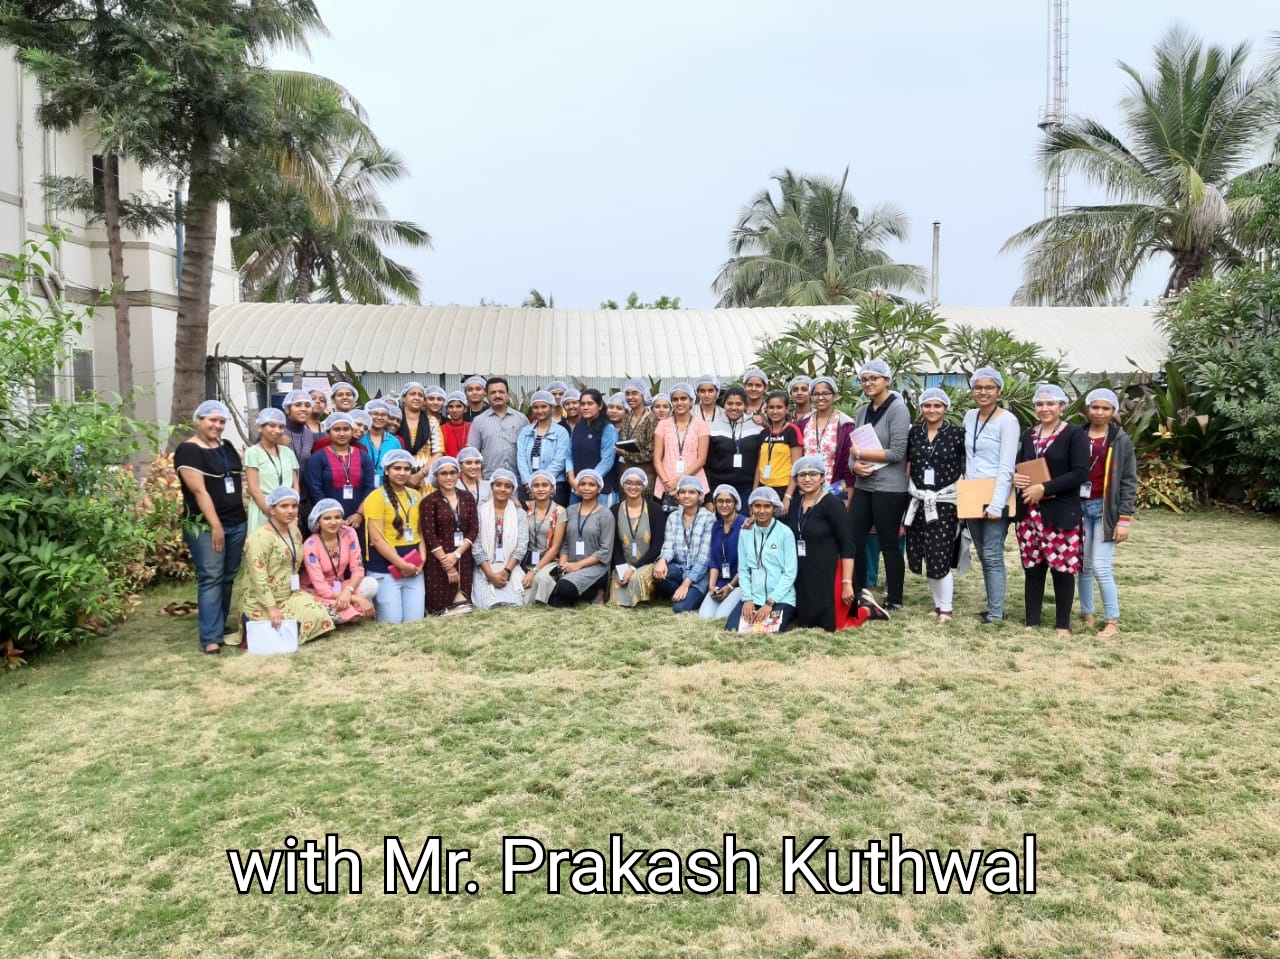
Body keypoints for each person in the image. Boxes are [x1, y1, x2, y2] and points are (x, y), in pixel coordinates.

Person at [1013, 384, 1090, 635]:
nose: (1044, 408)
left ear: (1062, 406)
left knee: (1062, 569)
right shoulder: (1030, 434)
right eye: (1039, 404)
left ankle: (1062, 625)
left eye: (1050, 404)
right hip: (1030, 513)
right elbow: (1023, 464)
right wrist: (1017, 477)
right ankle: (1032, 621)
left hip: (1060, 512)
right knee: (1033, 568)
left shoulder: (1074, 434)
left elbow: (1080, 472)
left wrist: (1045, 488)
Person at [176, 400, 249, 654]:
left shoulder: (226, 446)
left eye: (221, 421)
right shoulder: (188, 451)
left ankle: (219, 626)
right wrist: (215, 525)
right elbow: (199, 491)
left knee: (228, 577)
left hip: (236, 522)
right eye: (211, 420)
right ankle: (210, 638)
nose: (217, 425)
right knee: (211, 578)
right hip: (206, 527)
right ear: (199, 420)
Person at [235, 487, 335, 647]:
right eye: (284, 506)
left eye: (294, 506)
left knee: (318, 613)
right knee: (271, 628)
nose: (290, 511)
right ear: (272, 510)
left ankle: (291, 629)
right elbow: (258, 576)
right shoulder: (260, 537)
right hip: (260, 599)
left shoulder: (295, 531)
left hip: (288, 595)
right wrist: (271, 608)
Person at [848, 360, 911, 613]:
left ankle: (894, 597)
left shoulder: (898, 409)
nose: (868, 383)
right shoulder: (863, 410)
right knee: (854, 539)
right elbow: (853, 448)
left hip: (890, 487)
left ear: (887, 380)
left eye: (874, 378)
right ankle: (860, 589)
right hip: (863, 484)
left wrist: (861, 454)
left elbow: (897, 452)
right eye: (864, 379)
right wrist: (854, 466)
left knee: (888, 543)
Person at [1077, 388, 1138, 637]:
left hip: (1105, 511)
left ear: (1113, 411)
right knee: (1083, 565)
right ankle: (1087, 613)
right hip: (1079, 507)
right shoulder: (1077, 435)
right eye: (1095, 407)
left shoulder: (1119, 440)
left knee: (1101, 566)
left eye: (1106, 408)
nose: (1099, 412)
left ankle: (1112, 621)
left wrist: (1124, 520)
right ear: (1087, 408)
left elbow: (1128, 481)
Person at [963, 366, 1021, 624]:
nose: (983, 392)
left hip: (997, 493)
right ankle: (991, 606)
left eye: (989, 387)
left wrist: (997, 504)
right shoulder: (969, 417)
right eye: (978, 387)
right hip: (972, 493)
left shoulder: (1007, 421)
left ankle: (996, 614)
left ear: (998, 390)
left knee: (992, 554)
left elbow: (1007, 465)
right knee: (981, 552)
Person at [904, 388, 966, 624]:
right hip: (918, 499)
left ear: (945, 408)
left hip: (945, 501)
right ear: (921, 408)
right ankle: (938, 604)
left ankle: (947, 608)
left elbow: (969, 463)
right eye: (927, 405)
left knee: (940, 552)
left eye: (937, 406)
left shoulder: (957, 434)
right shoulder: (914, 433)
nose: (932, 410)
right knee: (926, 553)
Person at [786, 456, 866, 631]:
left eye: (813, 474)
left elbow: (848, 544)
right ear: (796, 480)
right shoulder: (795, 504)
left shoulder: (833, 504)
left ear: (822, 477)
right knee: (805, 622)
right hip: (803, 574)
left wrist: (847, 582)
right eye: (802, 475)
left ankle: (867, 609)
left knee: (833, 625)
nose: (807, 479)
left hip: (830, 574)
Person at [360, 449, 425, 624]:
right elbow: (377, 539)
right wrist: (402, 564)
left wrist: (423, 560)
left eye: (406, 469)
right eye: (397, 468)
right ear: (387, 470)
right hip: (385, 569)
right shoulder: (375, 497)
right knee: (391, 624)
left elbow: (420, 532)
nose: (402, 473)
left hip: (414, 569)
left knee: (415, 624)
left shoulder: (416, 495)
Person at [725, 487, 798, 632]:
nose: (762, 511)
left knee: (765, 631)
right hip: (754, 596)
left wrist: (769, 603)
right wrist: (747, 599)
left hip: (780, 598)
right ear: (751, 508)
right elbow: (743, 569)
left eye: (767, 506)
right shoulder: (745, 532)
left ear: (774, 508)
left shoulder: (785, 533)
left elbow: (790, 573)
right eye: (757, 506)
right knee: (732, 628)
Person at [301, 498, 377, 624]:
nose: (333, 522)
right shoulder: (310, 545)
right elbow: (321, 588)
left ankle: (350, 608)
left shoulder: (349, 533)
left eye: (337, 517)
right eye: (327, 518)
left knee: (371, 584)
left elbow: (358, 569)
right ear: (317, 521)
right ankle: (353, 608)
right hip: (316, 591)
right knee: (331, 613)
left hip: (341, 586)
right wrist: (356, 598)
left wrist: (348, 591)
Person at [421, 456, 480, 615]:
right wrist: (447, 564)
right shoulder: (429, 501)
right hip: (438, 560)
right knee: (440, 610)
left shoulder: (467, 498)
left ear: (458, 474)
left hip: (463, 556)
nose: (449, 477)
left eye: (452, 473)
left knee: (463, 607)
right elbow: (429, 534)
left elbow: (473, 529)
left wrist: (457, 554)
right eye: (444, 473)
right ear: (436, 476)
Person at [546, 469, 613, 607]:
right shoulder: (570, 510)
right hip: (570, 564)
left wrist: (577, 566)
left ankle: (596, 593)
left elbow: (605, 551)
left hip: (595, 567)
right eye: (583, 484)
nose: (586, 488)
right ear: (577, 487)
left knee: (564, 588)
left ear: (599, 489)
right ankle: (581, 592)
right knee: (553, 598)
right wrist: (562, 566)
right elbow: (565, 543)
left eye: (591, 484)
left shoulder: (606, 515)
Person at [653, 476, 715, 613]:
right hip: (679, 569)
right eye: (683, 492)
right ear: (678, 495)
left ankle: (691, 593)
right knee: (657, 573)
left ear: (700, 495)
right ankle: (682, 593)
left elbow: (704, 559)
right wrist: (662, 560)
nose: (686, 496)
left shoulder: (709, 519)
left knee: (679, 608)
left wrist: (686, 584)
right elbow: (668, 546)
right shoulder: (673, 517)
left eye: (692, 492)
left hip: (699, 575)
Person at [608, 467, 667, 607]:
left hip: (648, 563)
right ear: (623, 485)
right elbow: (615, 544)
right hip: (624, 563)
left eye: (637, 483)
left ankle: (646, 597)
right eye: (629, 483)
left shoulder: (655, 510)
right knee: (618, 586)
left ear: (644, 486)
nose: (633, 487)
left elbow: (657, 546)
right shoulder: (615, 510)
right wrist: (622, 568)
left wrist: (634, 568)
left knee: (636, 579)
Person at [471, 469, 529, 610]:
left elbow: (521, 546)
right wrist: (490, 575)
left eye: (507, 486)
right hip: (484, 567)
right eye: (498, 485)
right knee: (487, 603)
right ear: (491, 486)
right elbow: (476, 546)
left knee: (515, 601)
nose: (502, 489)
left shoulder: (519, 514)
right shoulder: (479, 512)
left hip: (510, 566)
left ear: (513, 490)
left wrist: (506, 571)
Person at [305, 413, 375, 524]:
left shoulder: (364, 456)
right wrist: (333, 517)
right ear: (328, 432)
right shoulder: (318, 458)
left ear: (351, 431)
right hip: (328, 521)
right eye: (336, 429)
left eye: (346, 429)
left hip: (358, 519)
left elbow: (370, 487)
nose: (342, 434)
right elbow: (315, 490)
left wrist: (359, 513)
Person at [653, 382, 709, 508]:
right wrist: (667, 483)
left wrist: (678, 481)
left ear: (691, 400)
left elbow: (701, 459)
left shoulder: (701, 425)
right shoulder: (663, 425)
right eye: (675, 399)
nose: (679, 403)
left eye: (683, 398)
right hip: (665, 482)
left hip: (693, 482)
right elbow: (657, 458)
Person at [705, 387, 762, 511]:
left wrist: (755, 491)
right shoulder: (712, 427)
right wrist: (708, 497)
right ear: (724, 404)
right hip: (719, 488)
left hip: (747, 488)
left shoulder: (757, 427)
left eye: (738, 404)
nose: (734, 407)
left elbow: (760, 460)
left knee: (745, 522)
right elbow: (706, 464)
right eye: (730, 403)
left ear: (745, 405)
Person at [244, 407, 300, 531]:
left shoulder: (288, 452)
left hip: (288, 510)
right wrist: (275, 516)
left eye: (281, 427)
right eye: (272, 426)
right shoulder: (253, 453)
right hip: (263, 508)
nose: (277, 430)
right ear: (260, 427)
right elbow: (254, 490)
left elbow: (295, 485)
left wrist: (293, 512)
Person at [521, 471, 568, 605]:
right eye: (536, 485)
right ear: (531, 489)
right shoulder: (524, 508)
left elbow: (555, 548)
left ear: (552, 488)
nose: (540, 489)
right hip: (527, 558)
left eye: (545, 485)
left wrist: (534, 571)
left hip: (550, 560)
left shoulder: (560, 511)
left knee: (540, 578)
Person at [566, 388, 619, 507]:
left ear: (600, 406)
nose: (585, 407)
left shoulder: (608, 428)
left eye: (590, 404)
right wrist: (572, 480)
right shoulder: (578, 427)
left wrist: (588, 483)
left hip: (601, 490)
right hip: (577, 488)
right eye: (582, 404)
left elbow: (607, 461)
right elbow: (568, 455)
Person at [517, 390, 571, 506]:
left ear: (551, 407)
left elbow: (559, 461)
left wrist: (542, 483)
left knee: (553, 516)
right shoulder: (525, 431)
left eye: (544, 406)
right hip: (528, 488)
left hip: (554, 486)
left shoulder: (561, 432)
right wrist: (529, 483)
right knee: (528, 516)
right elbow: (521, 458)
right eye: (536, 407)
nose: (540, 410)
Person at [699, 485, 745, 619]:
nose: (724, 505)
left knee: (721, 616)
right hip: (721, 582)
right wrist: (712, 586)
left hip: (740, 583)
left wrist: (730, 586)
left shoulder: (745, 525)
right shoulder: (716, 526)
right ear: (715, 504)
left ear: (735, 503)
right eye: (720, 501)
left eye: (728, 501)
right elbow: (714, 561)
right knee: (705, 616)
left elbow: (747, 564)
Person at [469, 377, 529, 478]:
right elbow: (472, 453)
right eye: (493, 392)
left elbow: (528, 450)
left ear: (508, 394)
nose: (497, 395)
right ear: (487, 395)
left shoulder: (521, 419)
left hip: (516, 479)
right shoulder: (478, 421)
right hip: (489, 480)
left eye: (501, 392)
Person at [801, 376, 854, 487]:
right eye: (816, 394)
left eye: (825, 393)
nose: (820, 397)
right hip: (806, 486)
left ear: (834, 396)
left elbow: (847, 463)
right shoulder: (804, 422)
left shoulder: (845, 424)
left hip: (835, 487)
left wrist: (849, 492)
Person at [756, 390, 803, 509]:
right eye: (771, 407)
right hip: (764, 488)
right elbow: (759, 465)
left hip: (784, 489)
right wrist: (755, 492)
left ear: (786, 409)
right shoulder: (764, 433)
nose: (775, 411)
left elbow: (797, 466)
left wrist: (788, 496)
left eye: (779, 407)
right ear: (766, 410)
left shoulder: (792, 430)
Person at [396, 381, 442, 488]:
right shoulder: (396, 420)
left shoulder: (431, 421)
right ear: (404, 398)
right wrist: (406, 476)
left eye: (420, 395)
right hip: (399, 477)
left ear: (424, 401)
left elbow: (438, 452)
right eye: (412, 394)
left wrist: (420, 475)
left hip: (425, 478)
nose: (417, 397)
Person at [617, 379, 657, 494]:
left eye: (634, 393)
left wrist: (625, 454)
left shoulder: (651, 419)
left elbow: (651, 453)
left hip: (644, 479)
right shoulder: (626, 418)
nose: (630, 397)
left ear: (643, 395)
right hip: (625, 475)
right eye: (627, 394)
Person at [361, 399, 403, 486]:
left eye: (383, 415)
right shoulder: (360, 438)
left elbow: (398, 466)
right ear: (368, 415)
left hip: (387, 487)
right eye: (375, 414)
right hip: (362, 486)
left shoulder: (394, 442)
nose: (379, 417)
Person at [282, 389, 319, 477]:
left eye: (308, 405)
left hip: (302, 484)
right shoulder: (277, 431)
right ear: (287, 409)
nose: (303, 409)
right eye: (298, 405)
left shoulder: (309, 435)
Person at [441, 391, 470, 458]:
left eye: (458, 406)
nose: (454, 410)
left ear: (465, 409)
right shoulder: (441, 429)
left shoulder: (472, 428)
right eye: (451, 407)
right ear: (447, 410)